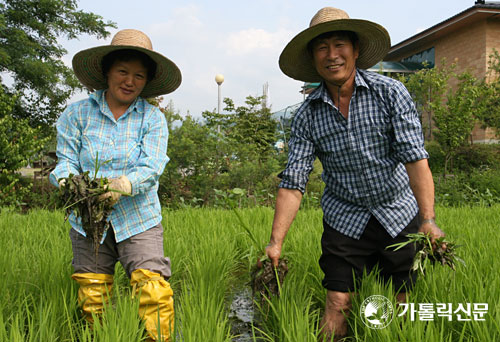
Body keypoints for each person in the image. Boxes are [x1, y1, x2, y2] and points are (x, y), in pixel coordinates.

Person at [265, 7, 445, 341]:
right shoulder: (307, 116)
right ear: (313, 57)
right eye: (322, 48)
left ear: (356, 50)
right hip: (345, 217)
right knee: (337, 300)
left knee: (402, 301)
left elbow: (414, 158)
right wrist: (275, 243)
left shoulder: (390, 93)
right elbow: (294, 182)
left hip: (397, 210)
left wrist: (428, 219)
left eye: (339, 44)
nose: (332, 55)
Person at [50, 29, 181, 341]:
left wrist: (123, 184)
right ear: (107, 72)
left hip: (139, 218)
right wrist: (71, 182)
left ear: (146, 81)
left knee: (153, 290)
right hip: (87, 220)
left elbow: (152, 164)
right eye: (123, 71)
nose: (130, 81)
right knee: (92, 295)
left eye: (138, 75)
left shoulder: (152, 118)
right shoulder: (77, 114)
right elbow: (65, 160)